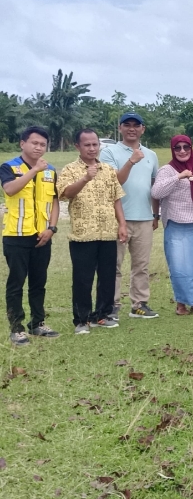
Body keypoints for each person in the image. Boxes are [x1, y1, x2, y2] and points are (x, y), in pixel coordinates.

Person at [56, 129, 128, 335]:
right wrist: (85, 178)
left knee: (107, 276)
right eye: (86, 145)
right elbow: (65, 193)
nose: (92, 148)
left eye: (95, 144)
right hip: (83, 234)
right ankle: (82, 320)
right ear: (77, 146)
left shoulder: (107, 169)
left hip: (107, 232)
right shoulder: (70, 170)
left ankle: (102, 315)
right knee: (82, 278)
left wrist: (122, 224)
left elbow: (116, 199)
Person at [2, 126, 60, 346]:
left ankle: (38, 323)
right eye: (34, 143)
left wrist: (51, 228)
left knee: (39, 282)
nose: (38, 147)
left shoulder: (50, 170)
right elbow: (10, 190)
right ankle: (16, 328)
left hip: (42, 236)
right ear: (22, 144)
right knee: (16, 283)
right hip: (16, 236)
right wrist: (33, 170)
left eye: (43, 144)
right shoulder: (9, 167)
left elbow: (54, 201)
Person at [100, 112, 160, 320]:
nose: (132, 128)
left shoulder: (151, 155)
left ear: (143, 129)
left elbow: (154, 187)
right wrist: (131, 161)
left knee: (141, 265)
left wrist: (155, 214)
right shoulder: (109, 152)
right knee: (113, 264)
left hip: (144, 217)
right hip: (117, 217)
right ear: (120, 128)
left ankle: (139, 304)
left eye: (136, 125)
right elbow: (113, 182)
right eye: (127, 124)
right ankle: (112, 305)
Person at [151, 135, 193, 315]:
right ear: (173, 150)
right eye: (177, 148)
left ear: (191, 148)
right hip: (177, 225)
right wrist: (178, 177)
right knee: (179, 267)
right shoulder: (167, 170)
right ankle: (181, 303)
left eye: (186, 147)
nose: (182, 151)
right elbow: (156, 192)